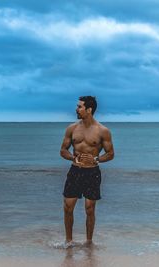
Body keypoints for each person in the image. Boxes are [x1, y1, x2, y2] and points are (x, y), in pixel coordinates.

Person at [60, 96, 114, 246]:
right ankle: (68, 241)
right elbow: (63, 150)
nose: (76, 109)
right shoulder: (72, 128)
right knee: (68, 207)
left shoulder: (103, 131)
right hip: (75, 172)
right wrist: (72, 158)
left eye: (79, 107)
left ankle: (89, 242)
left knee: (89, 209)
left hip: (92, 173)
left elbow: (110, 154)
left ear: (89, 110)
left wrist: (97, 160)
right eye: (77, 106)